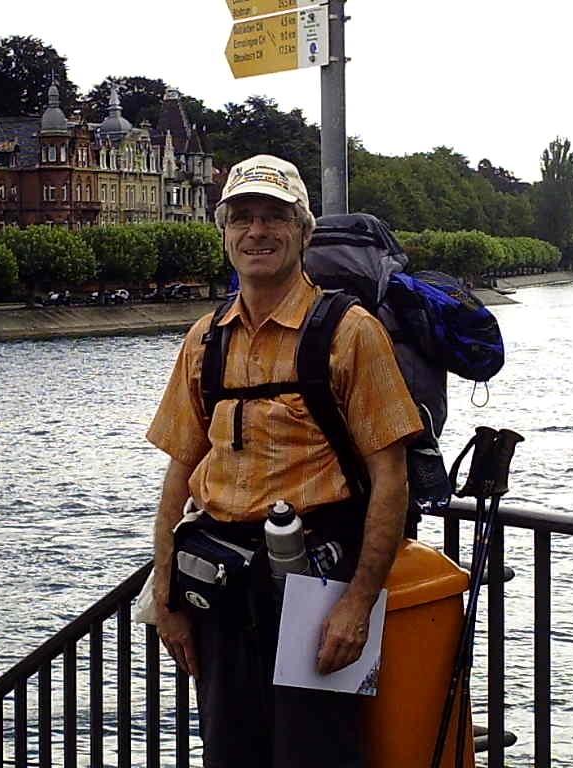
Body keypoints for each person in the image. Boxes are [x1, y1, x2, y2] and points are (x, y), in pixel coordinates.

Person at [146, 154, 423, 768]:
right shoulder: (205, 338)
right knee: (230, 754)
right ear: (224, 233)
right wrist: (167, 599)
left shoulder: (350, 332)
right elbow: (179, 474)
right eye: (241, 217)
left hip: (317, 588)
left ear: (303, 231)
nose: (257, 232)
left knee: (317, 753)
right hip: (220, 586)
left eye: (274, 216)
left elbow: (390, 477)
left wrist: (357, 604)